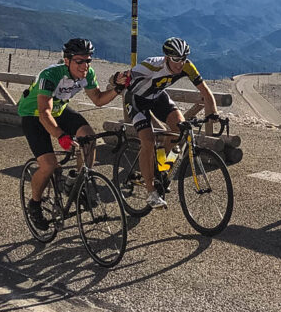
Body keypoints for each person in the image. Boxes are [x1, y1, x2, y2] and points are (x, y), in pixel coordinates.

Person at [18, 37, 122, 230]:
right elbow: (44, 113)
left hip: (59, 110)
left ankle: (77, 182)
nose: (85, 66)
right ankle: (34, 203)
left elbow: (98, 100)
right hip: (34, 114)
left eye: (88, 60)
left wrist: (117, 89)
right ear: (67, 60)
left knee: (89, 139)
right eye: (79, 61)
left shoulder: (87, 74)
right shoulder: (50, 75)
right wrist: (61, 136)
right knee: (49, 165)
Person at [110, 37, 219, 208]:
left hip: (158, 97)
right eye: (176, 59)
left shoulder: (188, 66)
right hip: (137, 100)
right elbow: (119, 79)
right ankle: (151, 191)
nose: (180, 64)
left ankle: (158, 166)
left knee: (180, 129)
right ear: (167, 57)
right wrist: (115, 79)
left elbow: (205, 90)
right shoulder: (151, 65)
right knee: (148, 140)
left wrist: (213, 113)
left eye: (183, 59)